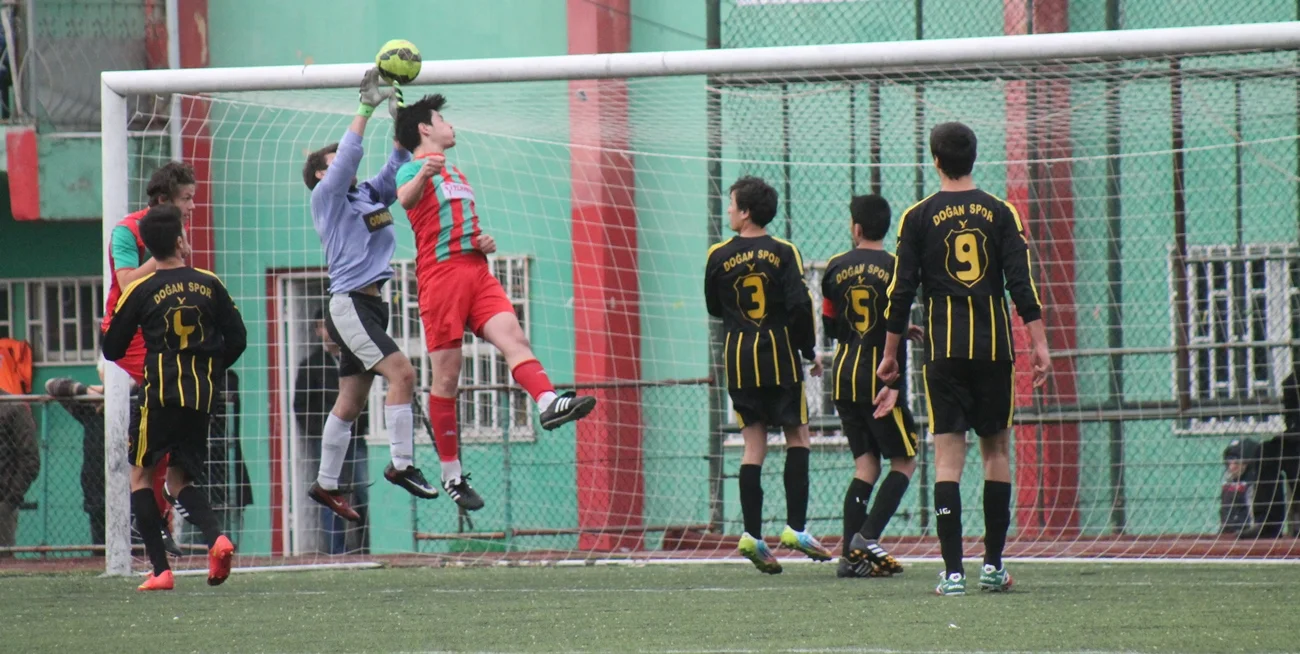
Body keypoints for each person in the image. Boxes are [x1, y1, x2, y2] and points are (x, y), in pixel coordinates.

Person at [394, 94, 596, 509]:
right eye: (442, 119)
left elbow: (457, 222)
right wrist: (422, 174)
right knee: (447, 377)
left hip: (476, 269)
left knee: (514, 338)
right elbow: (406, 200)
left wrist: (482, 241)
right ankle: (451, 475)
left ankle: (548, 403)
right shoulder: (413, 168)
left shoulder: (457, 172)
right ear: (425, 129)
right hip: (442, 276)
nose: (450, 125)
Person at [877, 122, 1050, 596]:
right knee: (996, 453)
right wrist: (1039, 343)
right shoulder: (1001, 212)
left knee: (948, 460)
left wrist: (890, 355)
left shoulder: (917, 216)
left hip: (944, 352)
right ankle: (992, 565)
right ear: (974, 158)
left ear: (935, 160)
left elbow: (900, 292)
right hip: (994, 349)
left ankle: (953, 573)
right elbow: (1021, 283)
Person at [303, 69, 437, 522]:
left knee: (350, 401)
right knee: (403, 374)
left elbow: (395, 168)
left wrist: (399, 125)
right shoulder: (327, 198)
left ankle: (325, 484)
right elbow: (347, 159)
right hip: (350, 304)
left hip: (371, 306)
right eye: (334, 160)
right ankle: (402, 465)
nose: (344, 162)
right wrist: (365, 108)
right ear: (321, 173)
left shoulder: (365, 196)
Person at [102, 204, 247, 591]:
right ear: (181, 242)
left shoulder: (141, 289)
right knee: (180, 480)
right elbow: (238, 338)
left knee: (140, 476)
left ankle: (161, 570)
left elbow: (112, 348)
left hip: (159, 396)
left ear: (149, 249)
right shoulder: (209, 283)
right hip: (200, 397)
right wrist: (211, 368)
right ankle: (217, 537)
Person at [702, 175, 831, 574]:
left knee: (752, 446)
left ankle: (752, 536)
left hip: (739, 360)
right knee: (798, 437)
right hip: (778, 356)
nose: (728, 210)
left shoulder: (717, 255)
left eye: (731, 204)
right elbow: (799, 306)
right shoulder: (783, 251)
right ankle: (795, 528)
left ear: (745, 212)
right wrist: (809, 350)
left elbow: (713, 307)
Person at [821, 194, 924, 578]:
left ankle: (849, 559)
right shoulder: (896, 267)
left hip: (843, 376)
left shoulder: (834, 267)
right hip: (879, 379)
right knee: (905, 460)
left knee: (865, 465)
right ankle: (866, 538)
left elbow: (831, 325)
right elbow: (892, 318)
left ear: (857, 228)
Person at [103, 161, 198, 558]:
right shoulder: (127, 231)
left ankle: (163, 506)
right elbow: (127, 283)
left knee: (181, 406)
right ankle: (153, 514)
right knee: (163, 416)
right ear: (163, 200)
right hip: (128, 334)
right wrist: (163, 255)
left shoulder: (177, 232)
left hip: (158, 329)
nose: (192, 206)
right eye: (186, 199)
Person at [294, 310, 369, 554]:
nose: (328, 331)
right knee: (328, 490)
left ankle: (366, 546)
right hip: (326, 441)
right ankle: (336, 550)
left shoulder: (355, 360)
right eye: (323, 326)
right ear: (317, 331)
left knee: (363, 489)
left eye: (332, 325)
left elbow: (365, 396)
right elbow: (301, 406)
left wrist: (361, 425)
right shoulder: (311, 365)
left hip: (356, 438)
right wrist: (322, 432)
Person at [47, 372, 108, 548]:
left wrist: (109, 392)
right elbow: (52, 384)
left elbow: (141, 384)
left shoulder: (133, 402)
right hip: (97, 492)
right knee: (100, 549)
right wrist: (87, 392)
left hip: (131, 494)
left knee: (138, 552)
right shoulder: (92, 409)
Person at [0, 390, 38, 553]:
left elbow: (30, 460)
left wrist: (9, 502)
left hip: (2, 502)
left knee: (3, 564)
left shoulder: (13, 407)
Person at [1221, 437, 1260, 535]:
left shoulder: (1254, 485)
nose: (1231, 467)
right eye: (1229, 461)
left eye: (1237, 462)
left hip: (1247, 536)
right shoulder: (1228, 483)